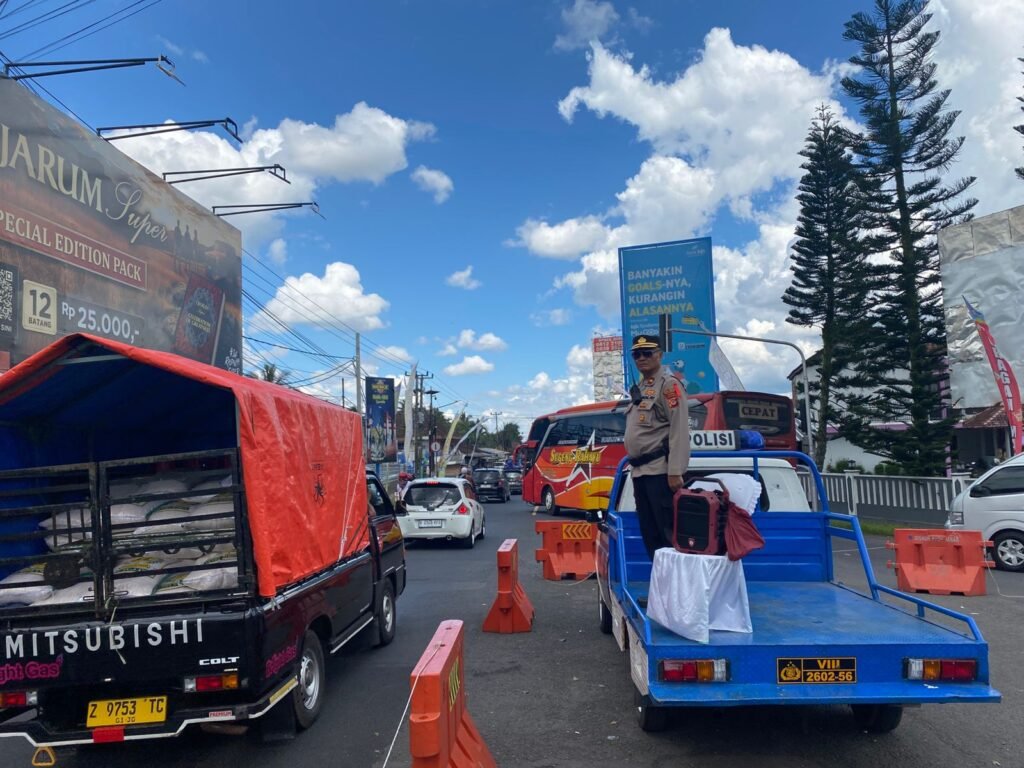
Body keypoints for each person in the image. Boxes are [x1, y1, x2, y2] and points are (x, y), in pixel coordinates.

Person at [623, 334, 691, 560]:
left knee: (667, 535)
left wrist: (675, 471)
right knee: (650, 535)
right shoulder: (641, 387)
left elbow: (679, 428)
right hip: (640, 472)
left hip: (660, 472)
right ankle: (660, 582)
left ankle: (674, 583)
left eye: (647, 353)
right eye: (636, 354)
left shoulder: (669, 385)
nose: (641, 358)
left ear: (659, 355)